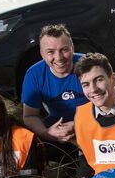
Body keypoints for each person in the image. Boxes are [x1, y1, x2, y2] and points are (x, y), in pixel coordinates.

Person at [21, 24, 88, 163]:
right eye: (50, 52)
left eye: (64, 50)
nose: (58, 57)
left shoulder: (89, 66)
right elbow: (29, 115)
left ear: (72, 48)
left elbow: (110, 105)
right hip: (57, 126)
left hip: (92, 124)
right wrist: (47, 133)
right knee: (29, 141)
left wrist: (79, 124)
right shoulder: (34, 74)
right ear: (42, 54)